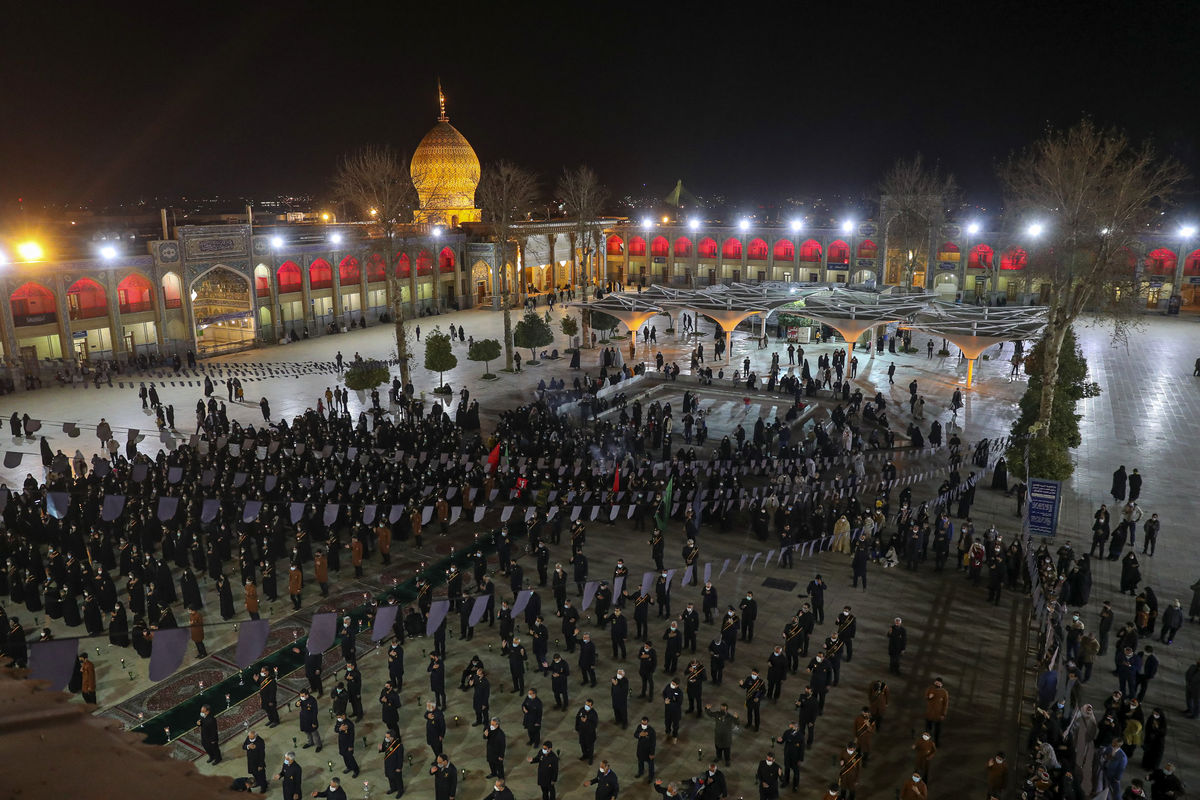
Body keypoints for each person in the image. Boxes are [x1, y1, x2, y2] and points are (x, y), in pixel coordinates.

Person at [924, 677, 949, 744]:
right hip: (929, 713)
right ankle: (925, 742)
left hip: (938, 714)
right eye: (936, 682)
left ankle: (936, 742)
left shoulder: (944, 692)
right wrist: (929, 697)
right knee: (927, 729)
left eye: (938, 683)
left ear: (941, 684)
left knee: (937, 730)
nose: (937, 684)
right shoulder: (930, 689)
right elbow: (926, 697)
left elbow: (945, 704)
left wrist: (943, 714)